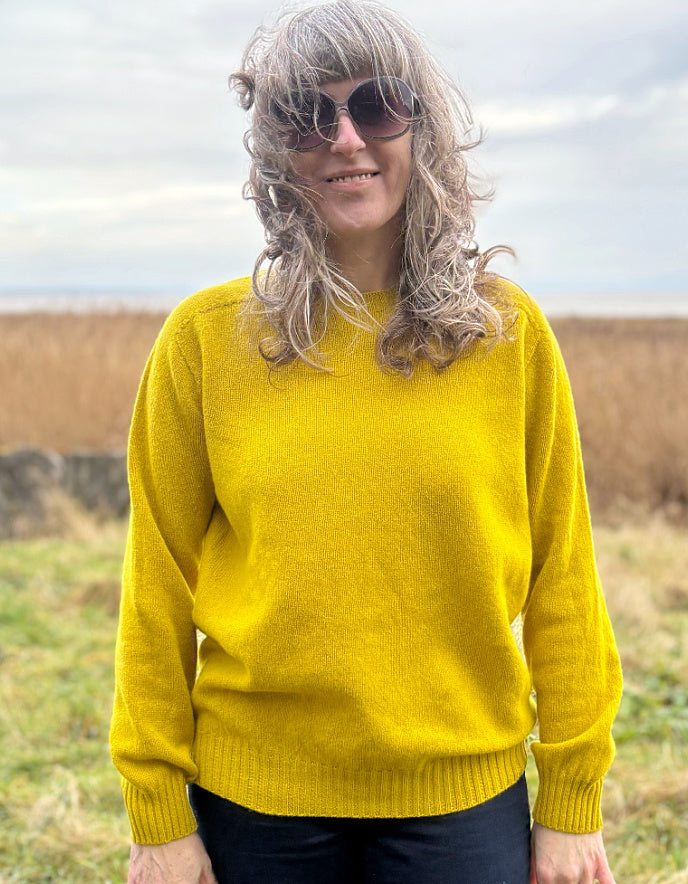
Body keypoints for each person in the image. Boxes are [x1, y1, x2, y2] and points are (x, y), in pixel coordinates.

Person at [110, 2, 623, 882]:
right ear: (278, 153)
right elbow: (154, 588)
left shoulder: (509, 337)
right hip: (255, 809)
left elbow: (563, 575)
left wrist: (572, 798)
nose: (345, 139)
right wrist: (158, 813)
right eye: (310, 117)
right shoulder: (204, 341)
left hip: (461, 808)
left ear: (422, 130)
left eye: (376, 106)